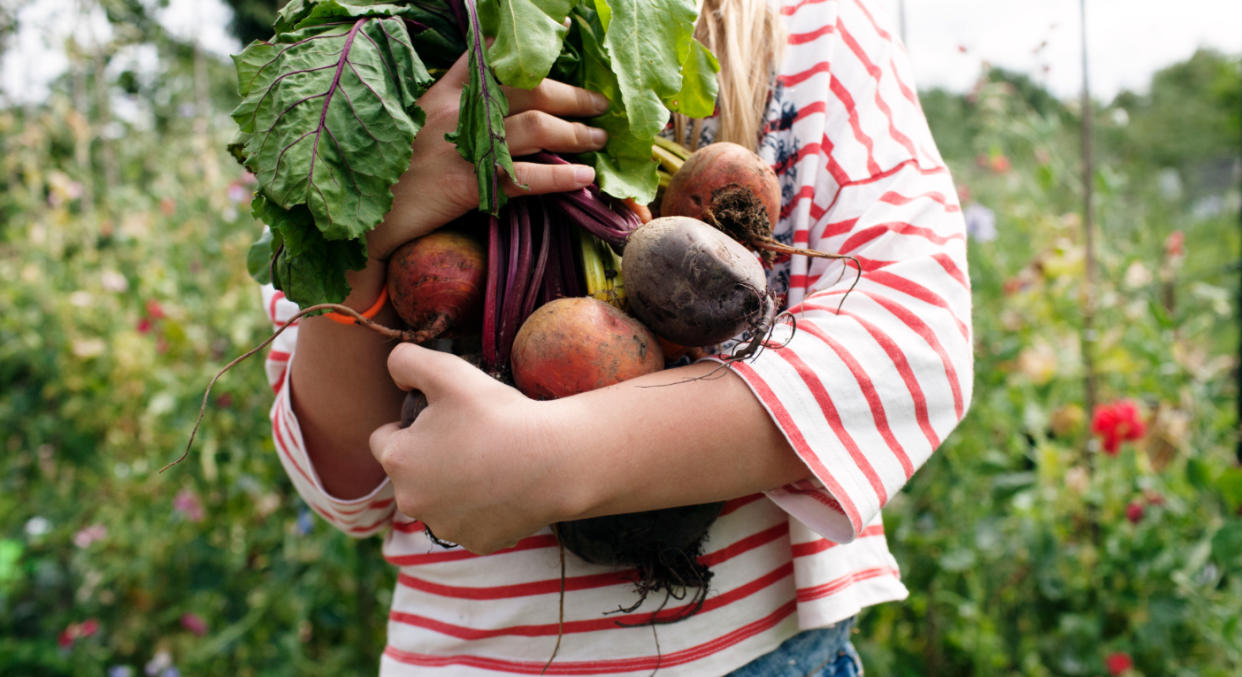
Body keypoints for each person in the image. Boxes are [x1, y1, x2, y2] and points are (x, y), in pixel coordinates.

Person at [259, 0, 973, 674]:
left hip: (763, 653)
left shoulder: (803, 28)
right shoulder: (390, 69)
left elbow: (916, 338)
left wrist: (562, 456)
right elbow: (348, 485)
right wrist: (371, 214)